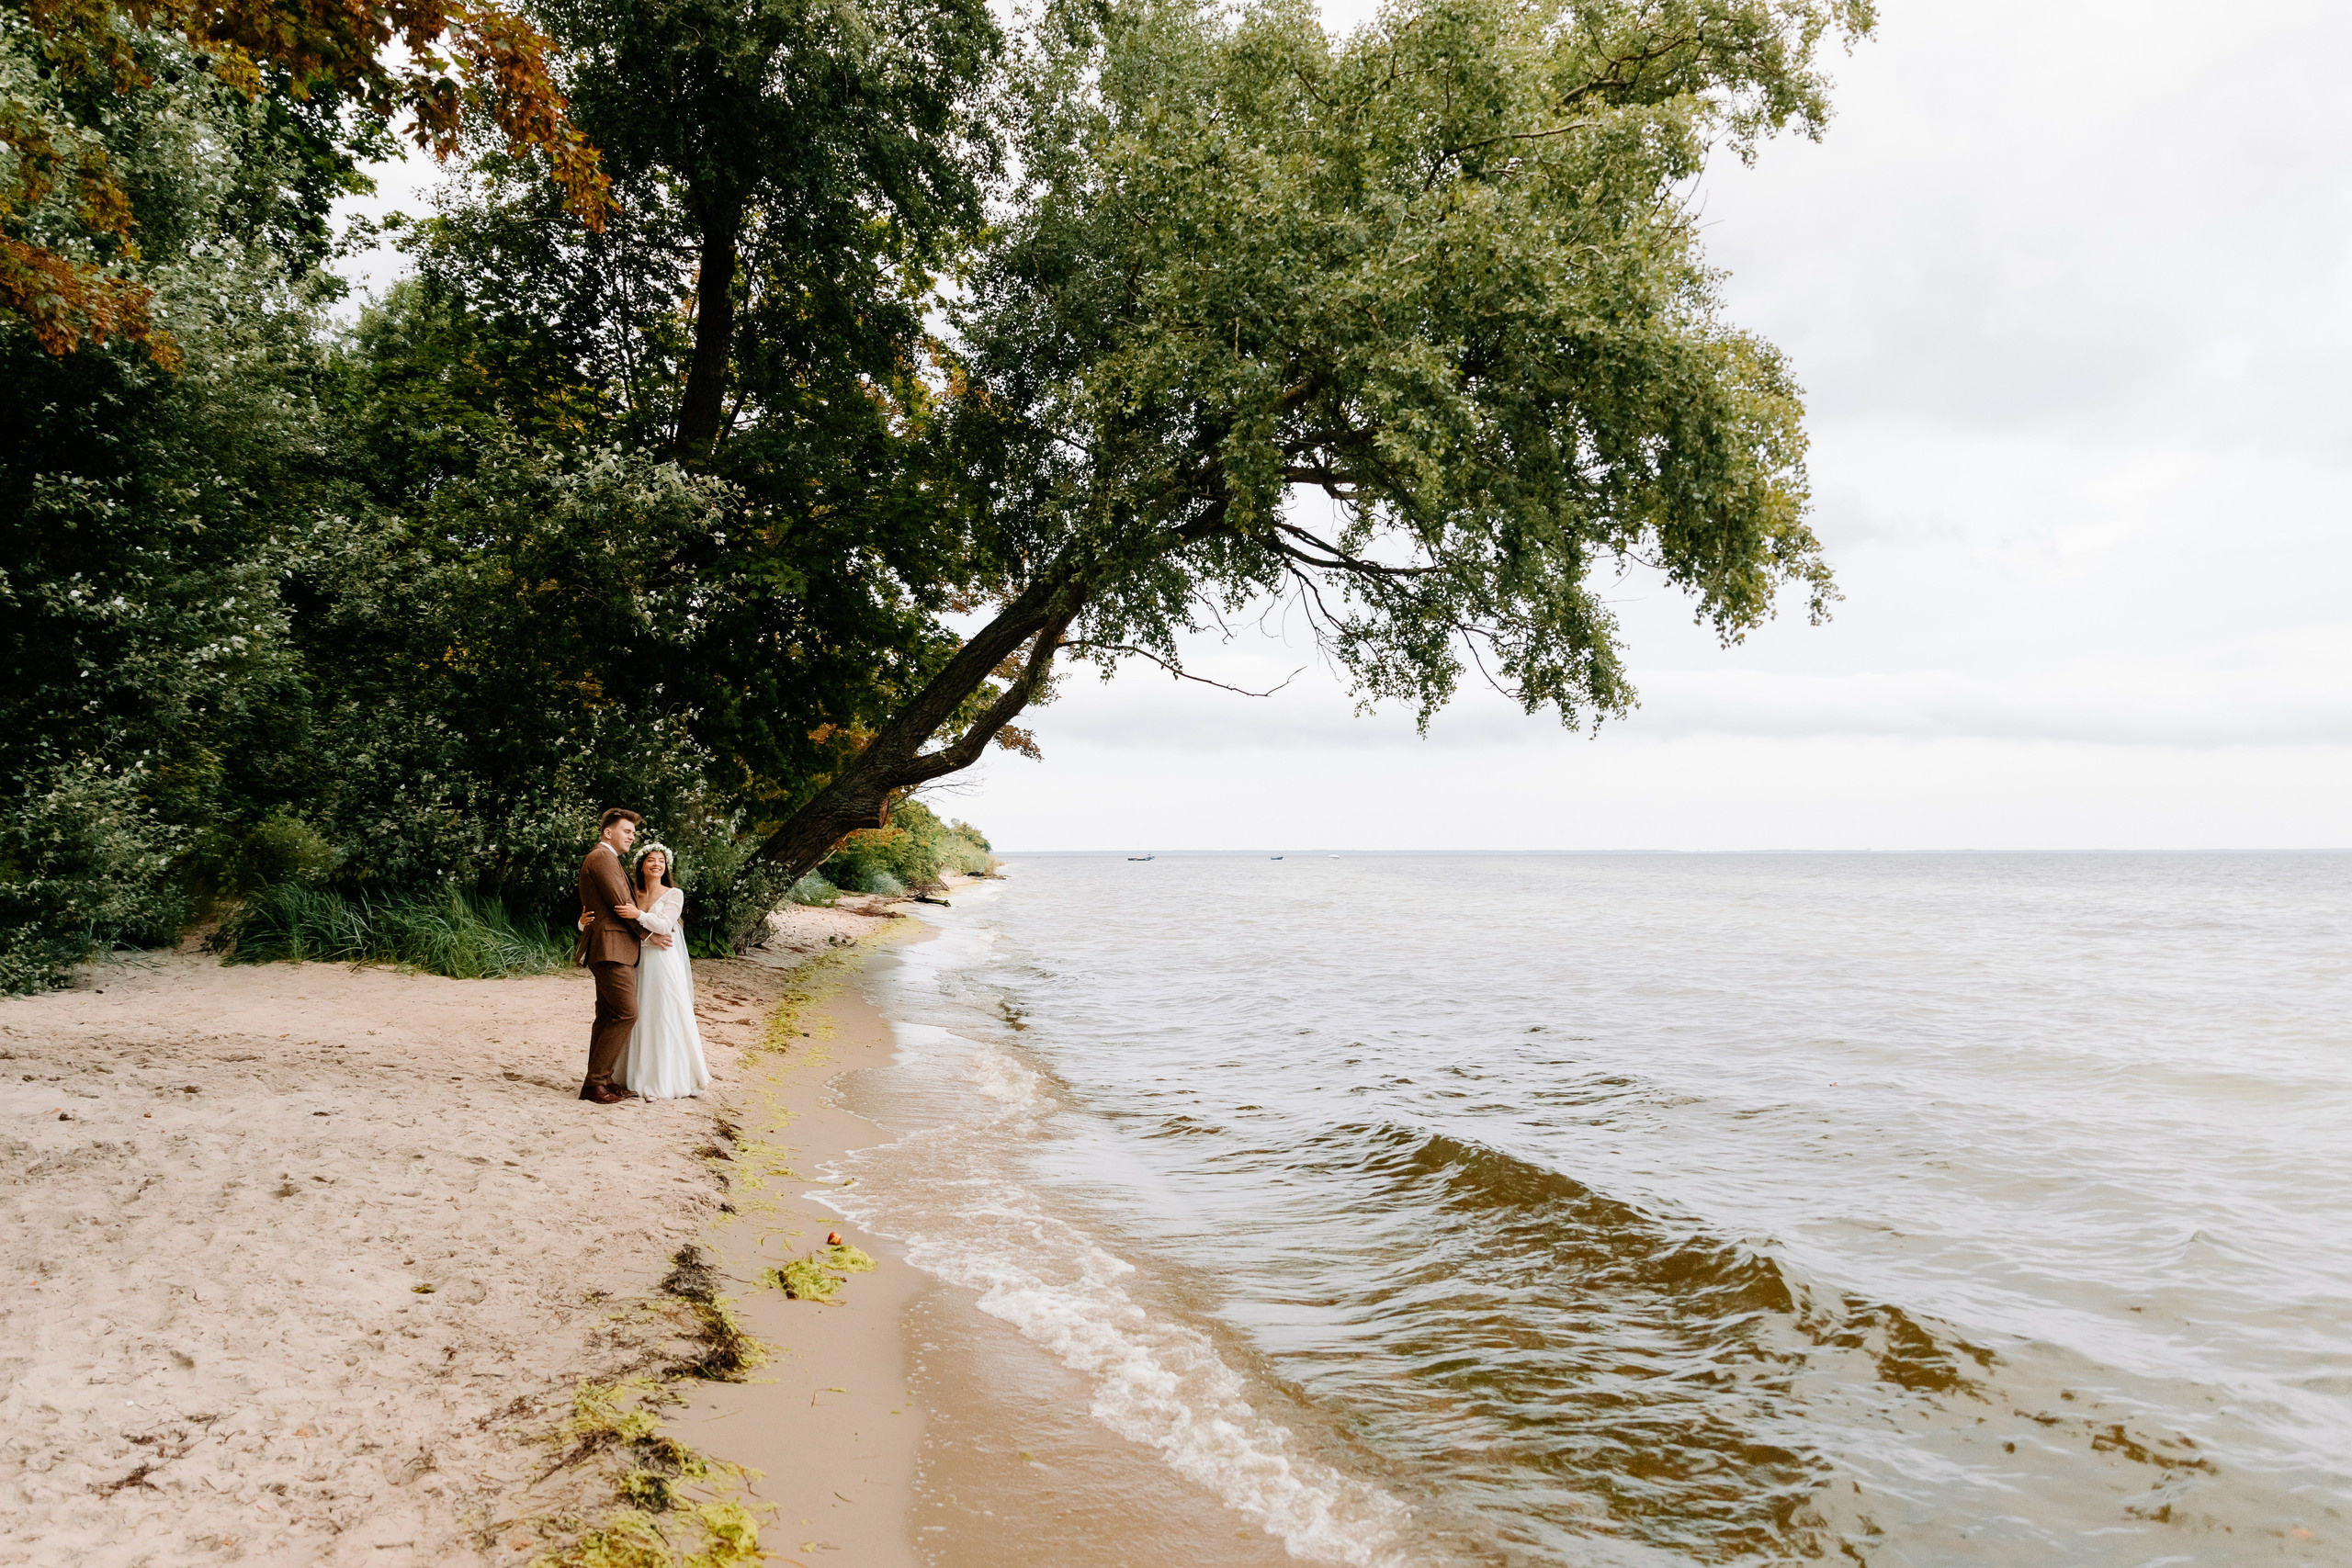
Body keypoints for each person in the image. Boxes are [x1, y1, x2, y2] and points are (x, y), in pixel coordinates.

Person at [574, 807, 674, 1104]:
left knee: (607, 1014)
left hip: (615, 948)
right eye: (627, 831)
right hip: (610, 947)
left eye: (633, 832)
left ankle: (602, 1080)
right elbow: (621, 904)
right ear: (608, 832)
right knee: (626, 1012)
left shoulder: (610, 860)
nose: (632, 836)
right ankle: (594, 1083)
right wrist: (648, 934)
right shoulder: (602, 858)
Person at [613, 842, 711, 1100]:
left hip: (663, 963)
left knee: (662, 1014)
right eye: (650, 861)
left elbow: (665, 925)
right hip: (636, 960)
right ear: (641, 866)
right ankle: (632, 1075)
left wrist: (638, 915)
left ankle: (663, 1079)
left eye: (661, 861)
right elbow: (622, 924)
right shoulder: (633, 893)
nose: (656, 865)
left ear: (666, 867)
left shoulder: (673, 894)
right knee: (638, 1014)